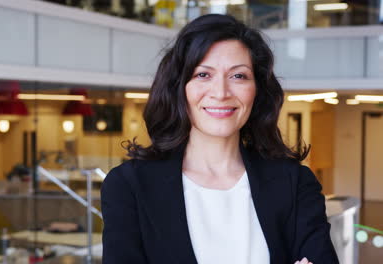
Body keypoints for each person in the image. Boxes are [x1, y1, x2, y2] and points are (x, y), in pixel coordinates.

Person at [100, 14, 339, 264]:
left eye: (239, 76)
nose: (221, 93)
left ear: (257, 91)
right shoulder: (129, 186)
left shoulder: (295, 183)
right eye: (203, 75)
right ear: (179, 87)